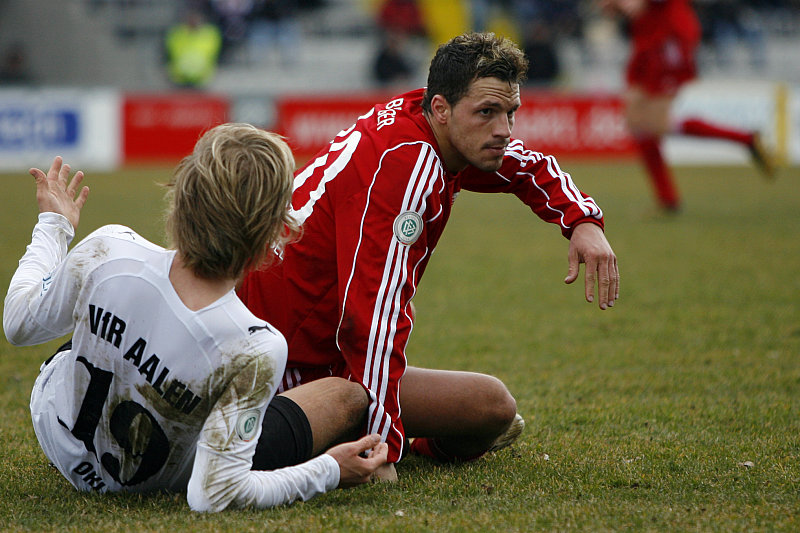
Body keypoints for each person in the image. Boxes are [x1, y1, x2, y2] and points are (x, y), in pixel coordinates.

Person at [238, 32, 619, 479]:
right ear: (441, 108)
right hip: (275, 359)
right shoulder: (407, 166)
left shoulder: (430, 122)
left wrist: (582, 221)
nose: (503, 129)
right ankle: (353, 437)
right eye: (487, 113)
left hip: (324, 353)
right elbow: (372, 316)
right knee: (373, 376)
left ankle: (383, 433)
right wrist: (382, 451)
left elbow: (524, 165)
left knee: (491, 407)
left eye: (510, 112)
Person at [2, 124, 388, 512]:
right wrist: (330, 469)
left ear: (181, 194)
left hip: (57, 438)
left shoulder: (109, 248)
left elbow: (18, 323)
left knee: (108, 326)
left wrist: (54, 226)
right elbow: (214, 494)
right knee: (346, 395)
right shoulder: (255, 344)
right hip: (151, 485)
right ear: (273, 235)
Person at [600, 0, 776, 212]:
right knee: (639, 123)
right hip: (648, 42)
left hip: (666, 41)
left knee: (646, 122)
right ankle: (668, 198)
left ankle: (668, 198)